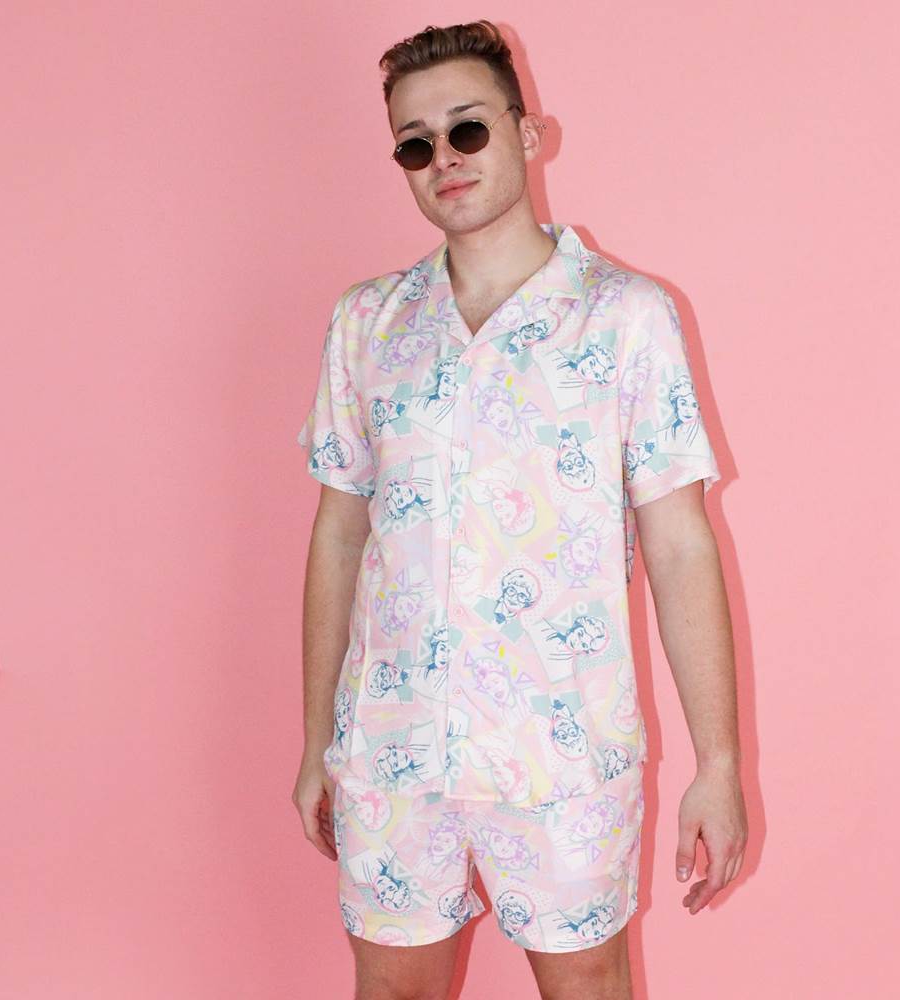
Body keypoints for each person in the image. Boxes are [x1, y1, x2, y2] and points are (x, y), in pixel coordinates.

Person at [291, 19, 746, 1000]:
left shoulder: (625, 317)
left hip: (562, 752)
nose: (444, 160)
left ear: (528, 134)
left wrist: (717, 762)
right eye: (415, 145)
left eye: (467, 129)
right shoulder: (367, 324)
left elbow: (680, 545)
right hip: (392, 750)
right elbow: (339, 533)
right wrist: (317, 738)